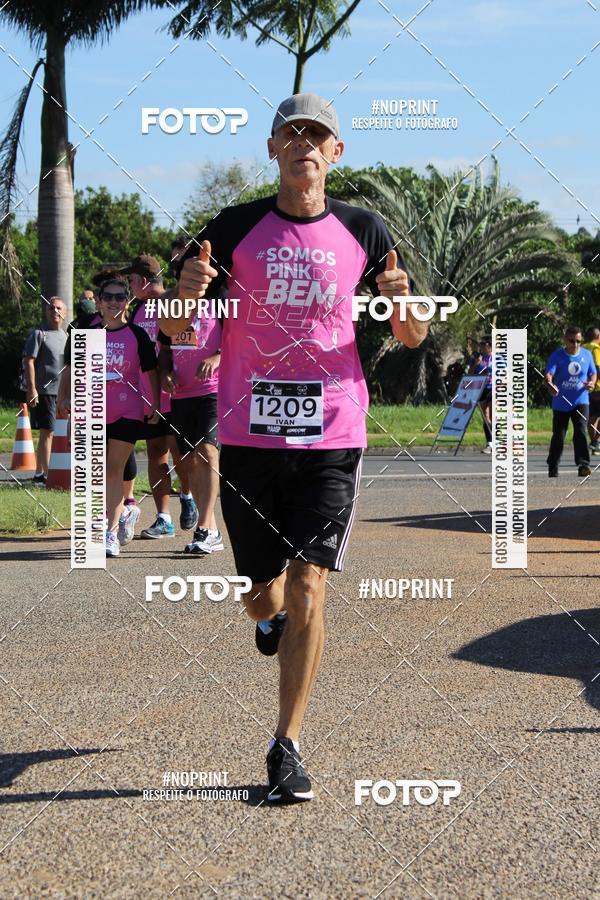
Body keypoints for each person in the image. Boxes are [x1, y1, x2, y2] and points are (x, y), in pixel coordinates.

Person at [160, 93, 428, 803]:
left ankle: (287, 745)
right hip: (248, 434)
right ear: (273, 148)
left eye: (320, 135)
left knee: (313, 581)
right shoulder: (234, 228)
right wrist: (185, 297)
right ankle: (269, 613)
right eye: (293, 133)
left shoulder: (365, 229)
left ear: (336, 154)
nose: (306, 143)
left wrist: (402, 302)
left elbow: (411, 338)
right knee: (261, 595)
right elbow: (182, 337)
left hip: (333, 433)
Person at [59, 276, 160, 557]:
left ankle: (110, 533)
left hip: (127, 408)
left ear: (127, 302)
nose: (114, 302)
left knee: (113, 469)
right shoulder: (83, 328)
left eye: (120, 297)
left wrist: (153, 404)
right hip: (90, 407)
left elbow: (150, 372)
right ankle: (114, 516)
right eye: (109, 298)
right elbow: (70, 368)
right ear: (100, 302)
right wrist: (65, 398)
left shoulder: (137, 335)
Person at [121, 255, 198, 539]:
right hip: (148, 394)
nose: (130, 286)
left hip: (177, 391)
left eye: (131, 281)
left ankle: (187, 495)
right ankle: (163, 517)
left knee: (180, 453)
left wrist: (171, 371)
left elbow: (187, 342)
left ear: (142, 280)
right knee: (155, 451)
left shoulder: (174, 302)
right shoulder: (138, 309)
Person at [158, 310, 223, 554]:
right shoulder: (172, 306)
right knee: (189, 460)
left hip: (214, 390)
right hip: (182, 394)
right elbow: (164, 350)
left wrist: (218, 357)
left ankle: (204, 528)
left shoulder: (221, 299)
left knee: (207, 450)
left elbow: (239, 340)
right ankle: (213, 531)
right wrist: (165, 373)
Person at [22, 297, 67, 486]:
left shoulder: (66, 336)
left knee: (59, 433)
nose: (54, 311)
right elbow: (29, 360)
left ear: (64, 313)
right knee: (47, 432)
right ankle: (45, 474)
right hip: (46, 391)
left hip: (62, 392)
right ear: (46, 312)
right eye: (51, 308)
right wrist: (32, 388)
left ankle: (44, 472)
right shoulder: (39, 334)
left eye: (58, 308)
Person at [545, 325, 596, 477]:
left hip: (581, 400)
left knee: (580, 431)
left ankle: (583, 465)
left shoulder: (587, 355)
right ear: (565, 340)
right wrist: (550, 384)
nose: (575, 344)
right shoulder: (557, 355)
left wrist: (592, 383)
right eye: (572, 341)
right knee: (559, 435)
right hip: (561, 401)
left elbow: (592, 373)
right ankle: (553, 464)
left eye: (578, 341)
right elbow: (548, 374)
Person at [468, 337, 493, 453]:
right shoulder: (477, 357)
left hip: (493, 388)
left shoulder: (497, 358)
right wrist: (477, 364)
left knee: (494, 415)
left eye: (484, 344)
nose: (482, 346)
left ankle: (500, 442)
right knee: (485, 417)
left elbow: (504, 372)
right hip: (481, 388)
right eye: (481, 344)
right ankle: (490, 443)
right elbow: (470, 373)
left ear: (490, 345)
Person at [582, 326, 600, 454]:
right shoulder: (595, 348)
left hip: (586, 389)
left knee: (592, 417)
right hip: (598, 387)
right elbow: (598, 368)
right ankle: (596, 441)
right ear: (598, 337)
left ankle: (594, 443)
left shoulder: (582, 348)